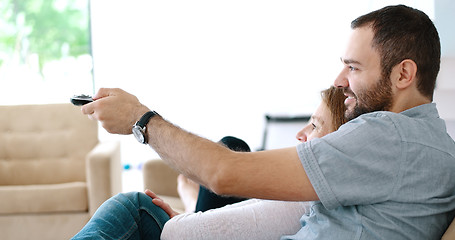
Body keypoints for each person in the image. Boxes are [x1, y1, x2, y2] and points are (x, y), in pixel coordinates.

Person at [77, 4, 455, 239]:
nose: (340, 81)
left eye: (353, 68)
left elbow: (223, 172)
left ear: (404, 73)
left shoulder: (387, 136)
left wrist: (139, 119)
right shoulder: (430, 142)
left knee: (132, 210)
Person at [72, 86, 347, 239]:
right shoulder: (312, 194)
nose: (299, 134)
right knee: (233, 145)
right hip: (180, 223)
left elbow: (188, 229)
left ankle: (189, 197)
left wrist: (139, 118)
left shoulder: (306, 197)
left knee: (131, 208)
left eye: (315, 126)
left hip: (165, 225)